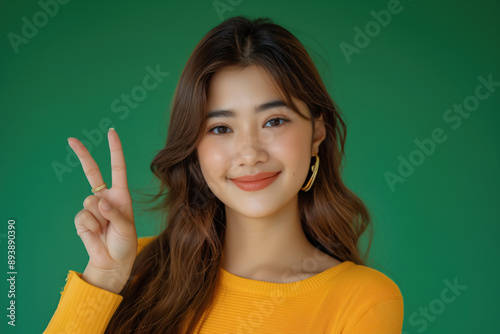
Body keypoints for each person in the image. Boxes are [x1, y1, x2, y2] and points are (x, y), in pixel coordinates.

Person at [44, 16, 404, 334]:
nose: (249, 153)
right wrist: (104, 278)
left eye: (274, 121)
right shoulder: (133, 267)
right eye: (220, 128)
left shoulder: (363, 300)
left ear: (317, 134)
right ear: (194, 147)